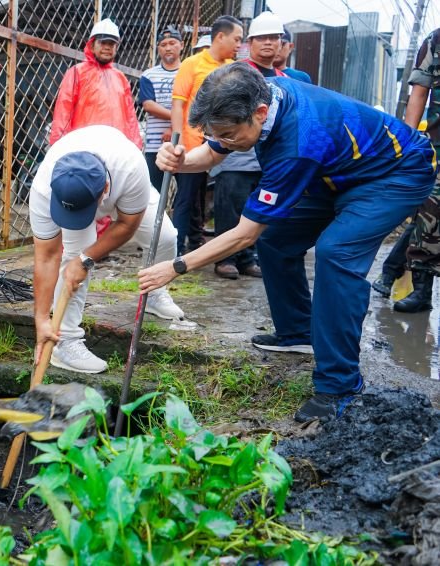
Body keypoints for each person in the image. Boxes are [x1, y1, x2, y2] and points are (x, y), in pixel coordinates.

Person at [139, 63, 435, 422]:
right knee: (277, 239)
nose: (226, 141)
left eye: (231, 134)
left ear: (260, 114)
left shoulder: (297, 141)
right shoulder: (253, 94)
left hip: (394, 172)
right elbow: (213, 153)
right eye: (221, 134)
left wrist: (176, 266)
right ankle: (297, 331)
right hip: (337, 171)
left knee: (336, 253)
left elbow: (245, 233)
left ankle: (339, 385)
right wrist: (181, 159)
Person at [30, 125, 182, 374]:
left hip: (125, 187)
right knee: (70, 259)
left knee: (165, 237)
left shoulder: (131, 169)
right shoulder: (44, 189)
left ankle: (155, 292)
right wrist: (41, 321)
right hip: (79, 191)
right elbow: (46, 257)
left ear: (104, 192)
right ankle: (65, 342)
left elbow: (127, 225)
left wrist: (86, 259)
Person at [210, 11, 286, 280]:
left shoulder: (284, 79)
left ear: (281, 43)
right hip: (235, 156)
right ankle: (224, 259)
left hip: (267, 160)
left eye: (274, 38)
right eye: (262, 38)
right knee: (230, 207)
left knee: (257, 210)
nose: (268, 43)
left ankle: (247, 258)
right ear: (250, 43)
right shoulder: (235, 73)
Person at [373, 28, 440, 313]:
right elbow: (419, 92)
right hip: (438, 144)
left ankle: (391, 274)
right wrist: (408, 141)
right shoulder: (436, 41)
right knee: (430, 214)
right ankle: (421, 291)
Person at [170, 15, 243, 255]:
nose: (238, 45)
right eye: (236, 39)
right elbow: (178, 105)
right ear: (220, 36)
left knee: (203, 197)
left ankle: (196, 242)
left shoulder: (231, 68)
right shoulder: (192, 64)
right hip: (192, 144)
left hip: (222, 144)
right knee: (186, 198)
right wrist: (178, 139)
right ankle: (175, 249)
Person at [49, 18, 141, 148]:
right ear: (92, 45)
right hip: (85, 147)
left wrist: (135, 147)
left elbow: (130, 117)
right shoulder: (77, 72)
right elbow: (64, 112)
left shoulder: (121, 78)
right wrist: (58, 147)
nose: (107, 47)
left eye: (112, 44)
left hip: (117, 148)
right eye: (103, 43)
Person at [139, 26, 184, 189]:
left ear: (182, 45)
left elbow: (193, 106)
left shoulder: (190, 71)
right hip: (155, 145)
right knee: (153, 193)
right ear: (158, 48)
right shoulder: (148, 75)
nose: (168, 48)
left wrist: (174, 127)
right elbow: (149, 105)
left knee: (186, 196)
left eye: (172, 43)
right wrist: (177, 117)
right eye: (163, 44)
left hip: (184, 144)